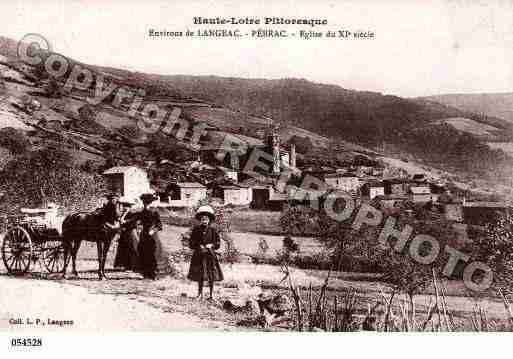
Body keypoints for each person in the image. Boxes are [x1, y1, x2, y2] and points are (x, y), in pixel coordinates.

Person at [187, 205, 224, 299]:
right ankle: (200, 294)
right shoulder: (196, 230)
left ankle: (211, 294)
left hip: (210, 255)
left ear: (209, 220)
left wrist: (211, 245)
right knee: (200, 275)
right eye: (203, 219)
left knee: (211, 275)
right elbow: (191, 243)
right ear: (200, 220)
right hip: (199, 255)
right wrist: (198, 245)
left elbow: (218, 243)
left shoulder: (213, 230)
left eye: (206, 219)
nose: (204, 220)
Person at [136, 193, 172, 279]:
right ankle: (146, 273)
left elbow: (159, 225)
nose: (145, 204)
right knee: (143, 252)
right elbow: (137, 221)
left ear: (150, 203)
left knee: (154, 254)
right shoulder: (142, 212)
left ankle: (154, 274)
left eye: (147, 203)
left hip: (153, 236)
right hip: (144, 235)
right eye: (144, 203)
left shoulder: (154, 212)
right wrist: (138, 228)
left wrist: (153, 230)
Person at [113, 197, 140, 271]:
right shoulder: (123, 214)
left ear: (130, 206)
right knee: (124, 249)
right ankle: (126, 265)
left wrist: (124, 221)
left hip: (131, 232)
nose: (125, 207)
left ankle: (135, 266)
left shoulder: (133, 214)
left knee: (133, 248)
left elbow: (132, 222)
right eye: (124, 206)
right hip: (124, 233)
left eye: (127, 206)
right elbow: (120, 222)